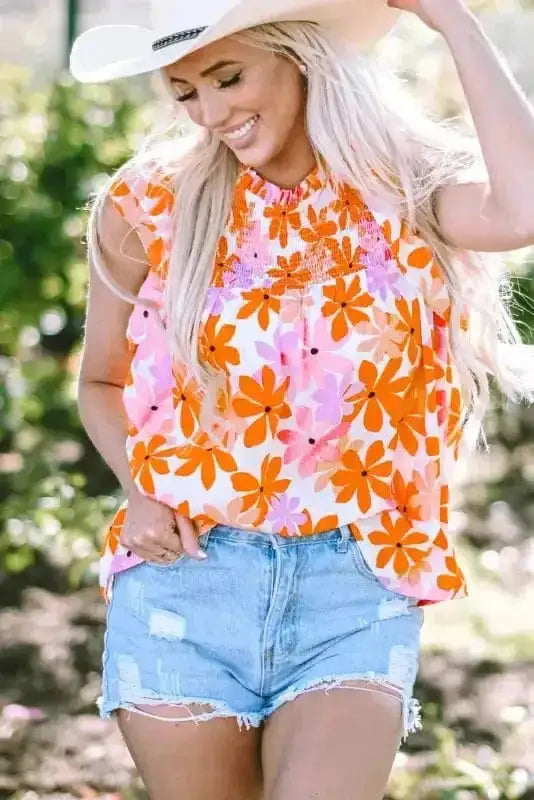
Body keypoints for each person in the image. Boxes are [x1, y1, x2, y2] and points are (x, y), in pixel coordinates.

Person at [70, 0, 534, 797]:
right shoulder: (148, 203)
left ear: (299, 55)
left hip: (355, 582)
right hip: (188, 577)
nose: (211, 113)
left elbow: (522, 210)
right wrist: (140, 492)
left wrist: (456, 23)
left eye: (228, 76)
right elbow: (99, 381)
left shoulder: (405, 191)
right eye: (184, 91)